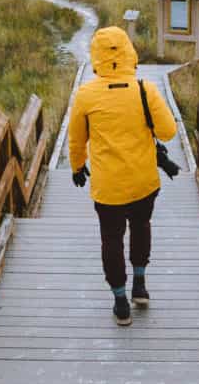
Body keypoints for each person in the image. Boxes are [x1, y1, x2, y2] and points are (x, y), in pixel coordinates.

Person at [67, 26, 178, 325]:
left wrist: (78, 167)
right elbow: (168, 131)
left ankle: (120, 302)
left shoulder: (86, 95)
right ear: (129, 53)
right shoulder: (145, 89)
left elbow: (77, 141)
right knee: (141, 226)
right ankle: (140, 286)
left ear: (96, 58)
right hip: (143, 181)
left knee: (111, 239)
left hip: (108, 188)